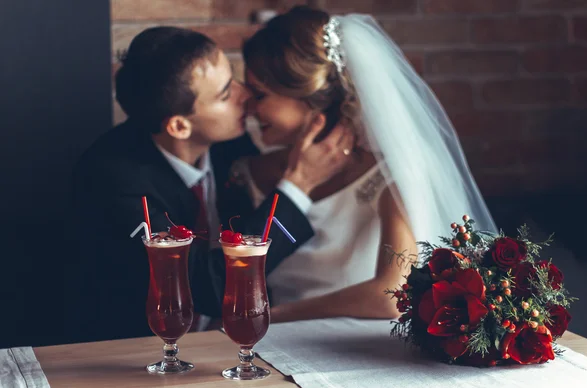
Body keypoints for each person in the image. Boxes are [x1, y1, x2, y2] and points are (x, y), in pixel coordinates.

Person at [68, 26, 352, 342]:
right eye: (226, 93)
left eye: (234, 79)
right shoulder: (114, 180)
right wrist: (297, 187)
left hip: (238, 344)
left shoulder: (231, 144)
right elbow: (208, 286)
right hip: (134, 351)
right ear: (179, 126)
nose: (247, 95)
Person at [232, 6, 498, 323]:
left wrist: (276, 316)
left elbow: (393, 293)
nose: (248, 110)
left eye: (260, 95)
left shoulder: (391, 174)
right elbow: (228, 280)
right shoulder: (245, 173)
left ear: (310, 97)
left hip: (359, 349)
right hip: (266, 349)